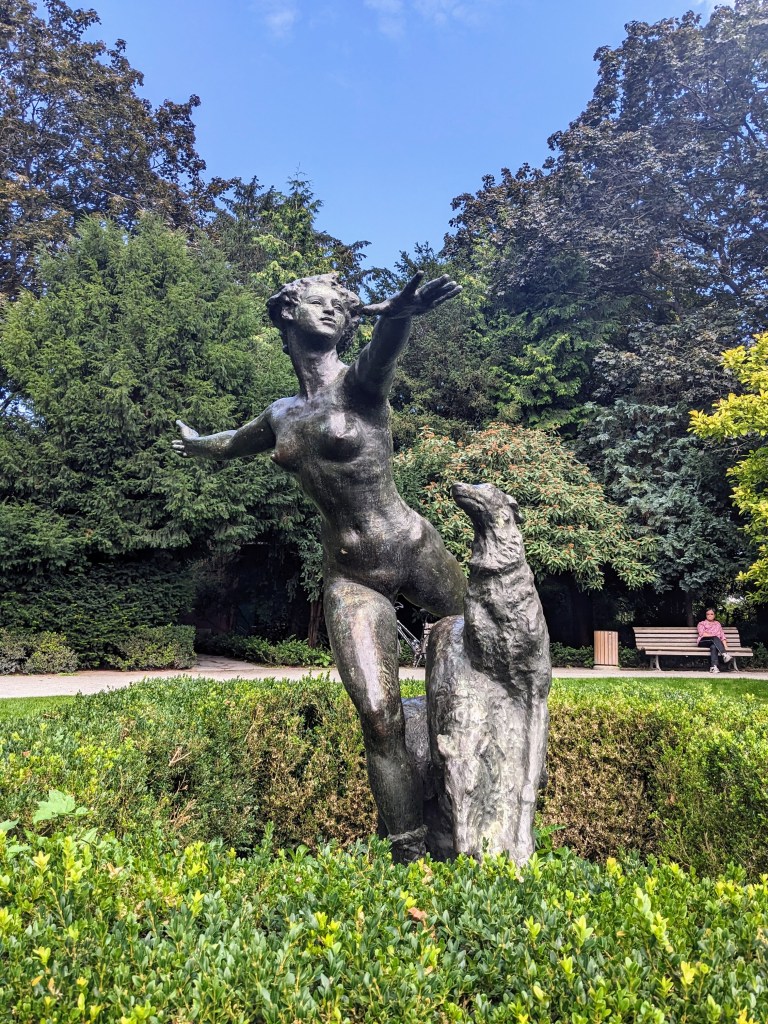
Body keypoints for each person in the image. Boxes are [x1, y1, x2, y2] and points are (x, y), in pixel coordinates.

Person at [172, 270, 467, 862]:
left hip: (412, 549)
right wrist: (198, 443)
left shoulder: (359, 387)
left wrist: (398, 315)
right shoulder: (281, 414)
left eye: (341, 305)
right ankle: (408, 856)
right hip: (350, 576)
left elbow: (383, 354)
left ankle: (473, 808)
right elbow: (233, 443)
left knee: (483, 645)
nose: (332, 310)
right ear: (288, 312)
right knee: (378, 716)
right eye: (319, 301)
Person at [697, 608, 732, 673]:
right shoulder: (701, 623)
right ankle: (724, 654)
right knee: (714, 638)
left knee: (713, 646)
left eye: (711, 614)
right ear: (706, 615)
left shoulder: (717, 624)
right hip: (703, 641)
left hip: (715, 643)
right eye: (708, 614)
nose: (709, 615)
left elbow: (722, 636)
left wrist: (725, 646)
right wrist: (714, 636)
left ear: (714, 615)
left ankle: (713, 667)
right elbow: (703, 634)